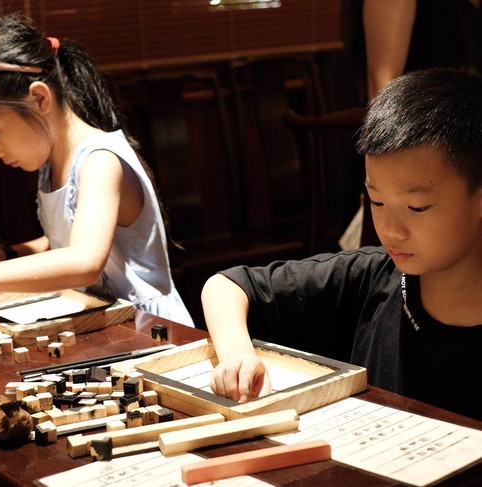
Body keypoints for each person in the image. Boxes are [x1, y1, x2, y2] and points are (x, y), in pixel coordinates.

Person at [201, 68, 482, 420]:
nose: (390, 230)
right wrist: (237, 355)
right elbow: (227, 287)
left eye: (417, 207)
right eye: (376, 201)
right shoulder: (373, 277)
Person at [0, 14, 193, 329]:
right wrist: (4, 253)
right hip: (110, 325)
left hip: (152, 329)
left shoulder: (100, 161)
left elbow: (84, 261)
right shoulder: (53, 162)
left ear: (39, 98)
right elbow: (65, 241)